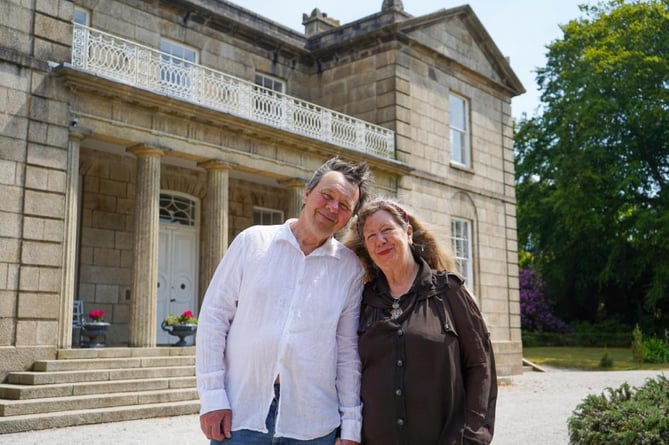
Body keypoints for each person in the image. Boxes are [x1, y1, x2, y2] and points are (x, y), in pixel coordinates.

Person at [196, 157, 373, 445]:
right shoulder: (252, 242)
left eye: (344, 206)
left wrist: (351, 424)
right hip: (241, 412)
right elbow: (214, 318)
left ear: (349, 216)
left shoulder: (349, 268)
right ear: (307, 193)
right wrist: (212, 396)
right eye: (326, 196)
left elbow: (346, 351)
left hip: (313, 423)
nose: (332, 208)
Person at [343, 198, 497, 445]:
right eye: (370, 236)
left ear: (408, 233)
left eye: (387, 230)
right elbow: (346, 369)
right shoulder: (362, 300)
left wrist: (471, 438)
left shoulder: (450, 292)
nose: (379, 240)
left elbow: (481, 367)